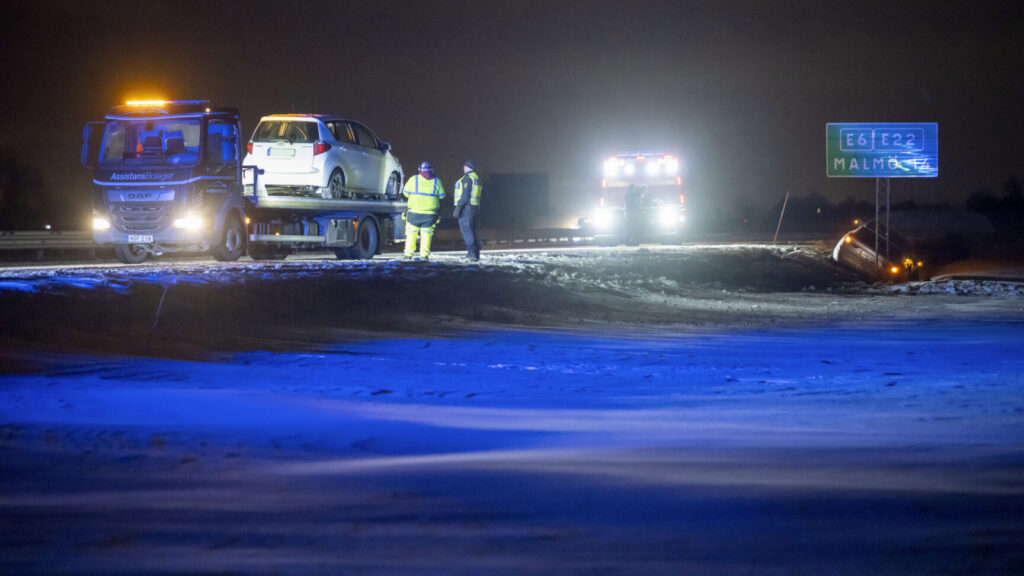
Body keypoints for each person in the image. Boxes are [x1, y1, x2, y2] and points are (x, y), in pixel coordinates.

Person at [401, 161, 445, 260]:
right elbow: (442, 196)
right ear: (432, 170)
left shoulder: (413, 179)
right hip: (429, 215)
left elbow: (406, 193)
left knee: (411, 234)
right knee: (426, 235)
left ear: (419, 169)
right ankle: (424, 255)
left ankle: (408, 254)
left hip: (414, 214)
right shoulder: (436, 181)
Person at [453, 158, 483, 261]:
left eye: (465, 165)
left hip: (467, 209)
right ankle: (475, 253)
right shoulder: (476, 178)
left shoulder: (467, 178)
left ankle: (472, 254)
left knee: (467, 231)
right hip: (474, 208)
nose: (463, 167)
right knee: (473, 231)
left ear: (468, 166)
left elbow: (464, 197)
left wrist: (458, 209)